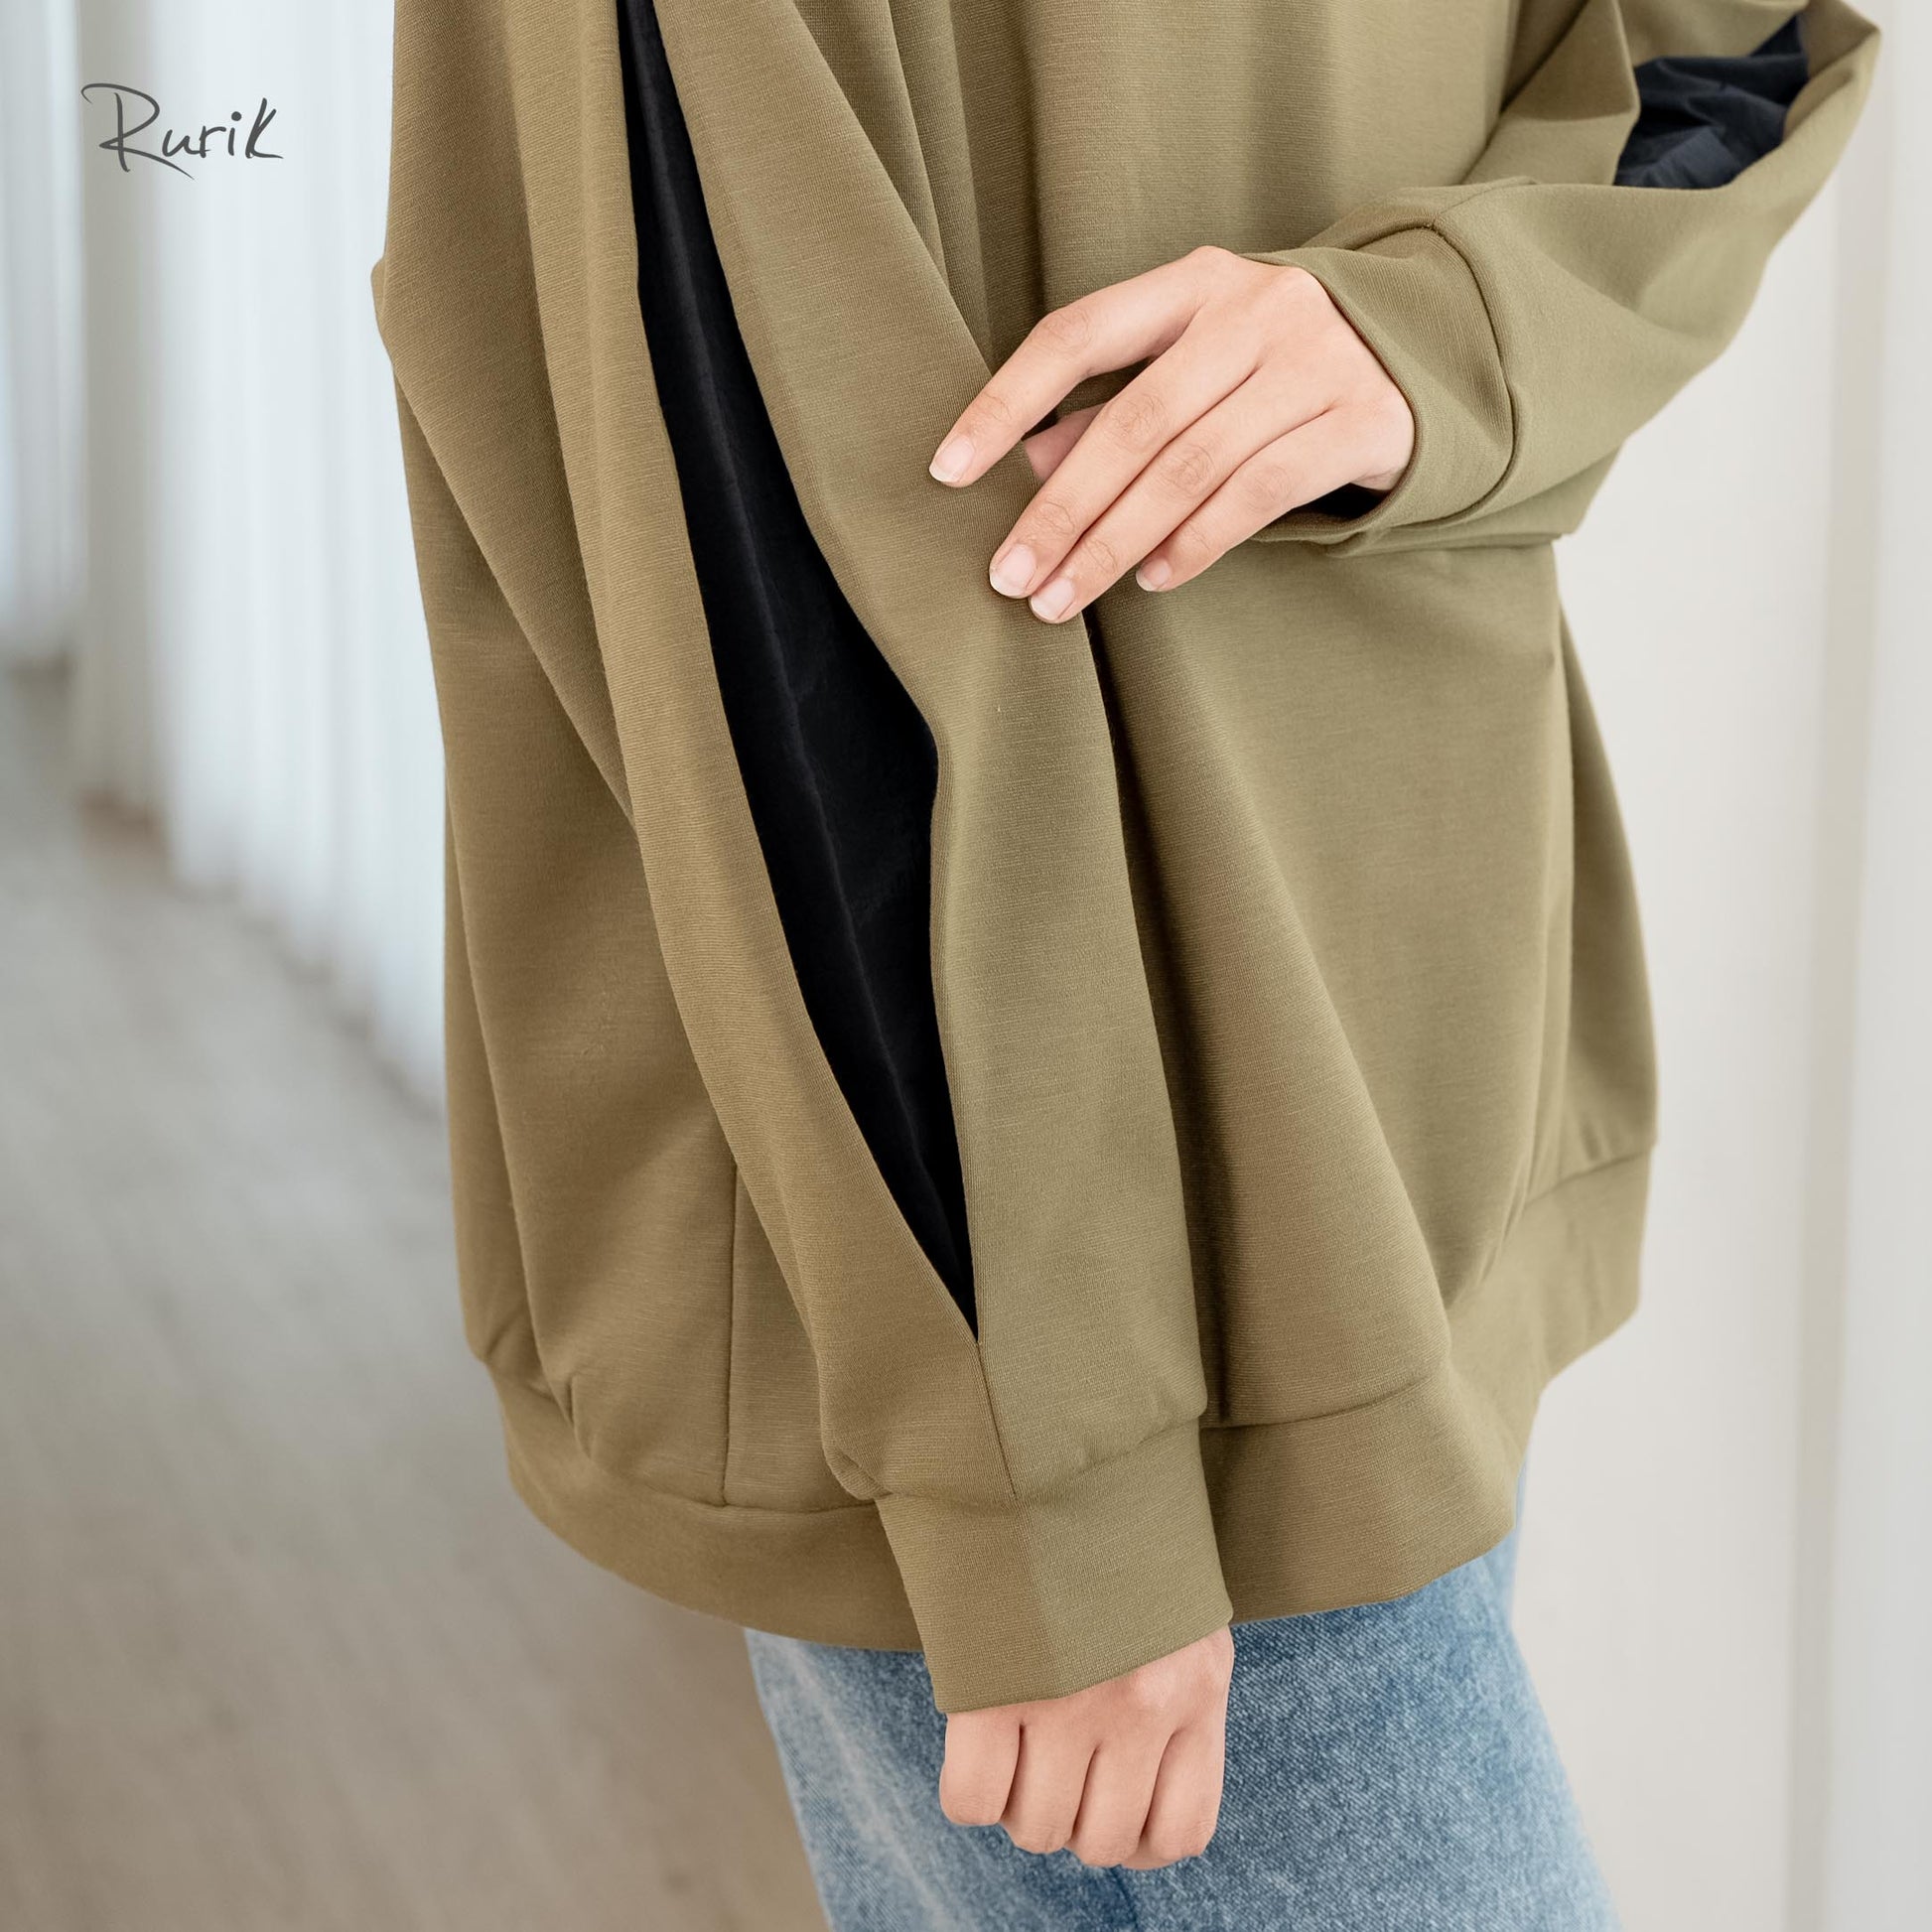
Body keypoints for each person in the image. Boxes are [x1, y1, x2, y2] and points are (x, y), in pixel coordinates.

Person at [372, 0, 1876, 1923]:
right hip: (1036, 1266)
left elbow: (1735, 54)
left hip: (1397, 1077)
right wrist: (1047, 1478)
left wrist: (1443, 326)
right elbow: (745, 569)